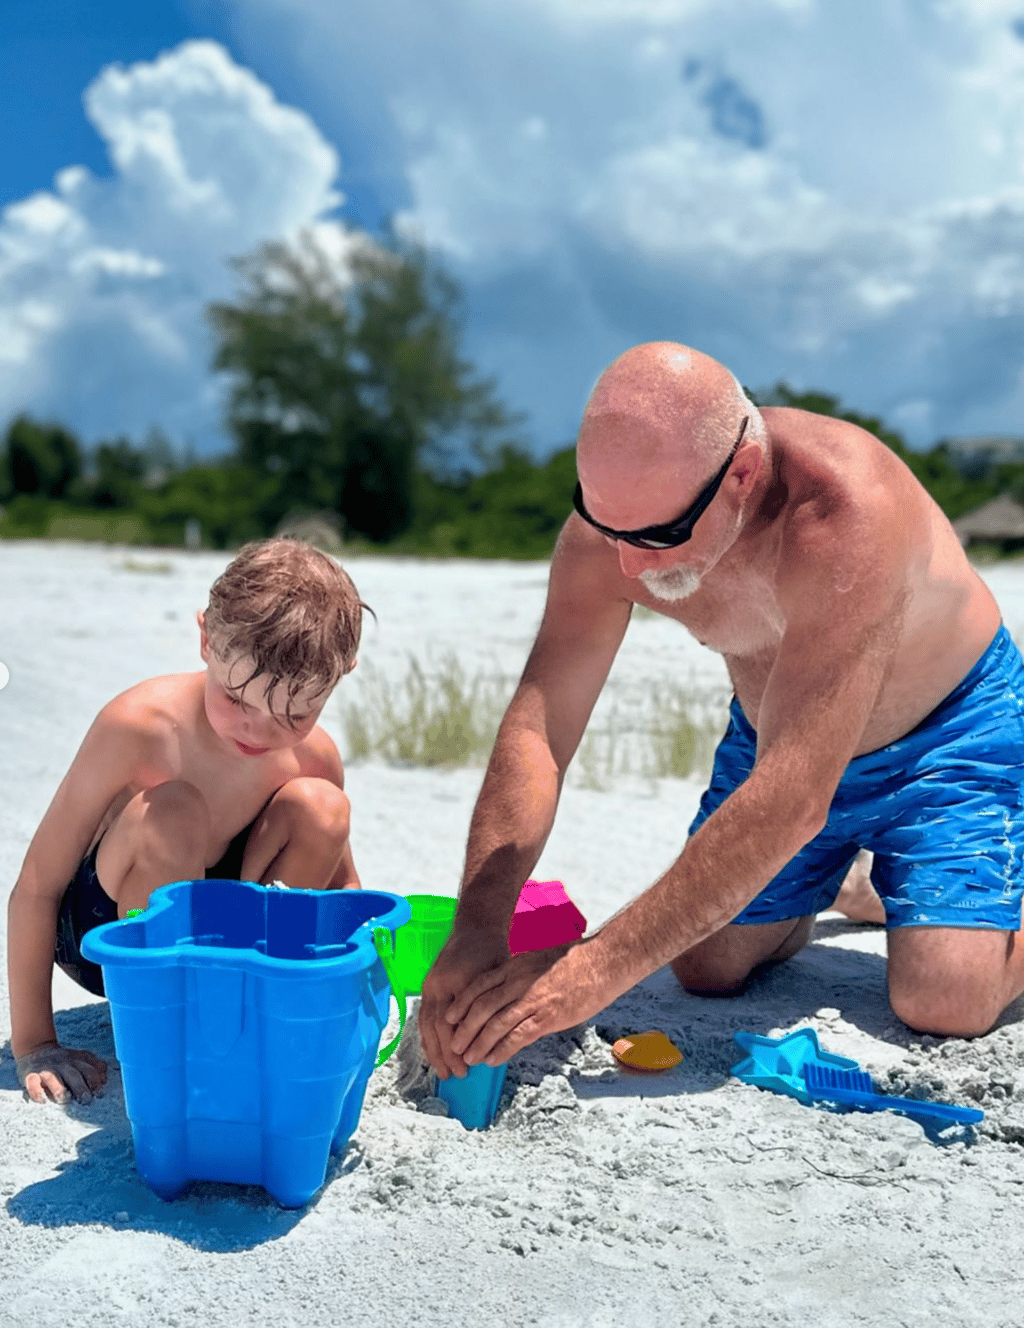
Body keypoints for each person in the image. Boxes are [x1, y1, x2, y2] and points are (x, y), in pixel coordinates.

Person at [419, 341, 1024, 1081]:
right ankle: (858, 882)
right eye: (608, 527)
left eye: (658, 537)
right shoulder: (615, 532)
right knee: (706, 965)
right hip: (779, 730)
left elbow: (794, 798)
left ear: (742, 473)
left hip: (948, 736)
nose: (630, 565)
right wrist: (478, 922)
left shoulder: (846, 511)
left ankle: (918, 882)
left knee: (945, 996)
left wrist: (591, 968)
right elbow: (540, 729)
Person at [9, 537, 368, 1106]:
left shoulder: (313, 755)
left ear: (340, 676)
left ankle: (248, 999)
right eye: (236, 699)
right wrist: (35, 1044)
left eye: (295, 714)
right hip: (109, 940)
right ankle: (168, 1025)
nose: (258, 731)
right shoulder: (140, 726)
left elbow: (344, 889)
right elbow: (37, 884)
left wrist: (359, 998)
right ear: (205, 638)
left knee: (323, 809)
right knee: (173, 809)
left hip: (225, 939)